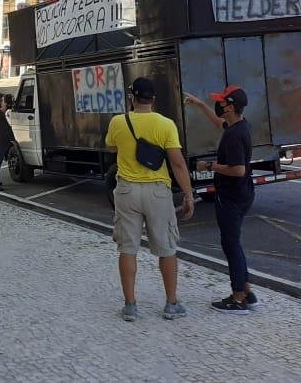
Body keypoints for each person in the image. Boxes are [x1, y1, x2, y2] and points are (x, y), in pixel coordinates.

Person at [105, 77, 195, 322]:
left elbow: (111, 147)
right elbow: (177, 163)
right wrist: (188, 196)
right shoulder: (166, 125)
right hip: (157, 192)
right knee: (167, 249)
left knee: (127, 249)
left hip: (126, 191)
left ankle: (130, 306)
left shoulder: (118, 121)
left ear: (132, 98)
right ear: (153, 99)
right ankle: (171, 304)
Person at [185, 85, 260, 314]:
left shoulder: (235, 135)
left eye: (222, 102)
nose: (219, 105)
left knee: (231, 245)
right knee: (233, 243)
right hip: (242, 193)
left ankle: (238, 298)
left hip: (232, 195)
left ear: (231, 106)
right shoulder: (239, 126)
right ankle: (246, 290)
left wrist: (208, 166)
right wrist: (200, 105)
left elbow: (237, 170)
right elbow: (219, 124)